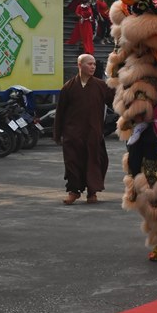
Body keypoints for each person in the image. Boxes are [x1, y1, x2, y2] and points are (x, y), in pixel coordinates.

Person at [54, 54, 114, 205]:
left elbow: (115, 102)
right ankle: (73, 192)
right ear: (80, 65)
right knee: (72, 163)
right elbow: (60, 112)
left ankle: (92, 192)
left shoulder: (101, 86)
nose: (93, 67)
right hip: (72, 133)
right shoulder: (68, 87)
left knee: (94, 162)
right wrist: (58, 133)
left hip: (93, 132)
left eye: (94, 64)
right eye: (89, 64)